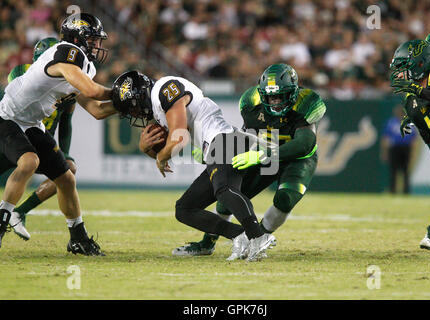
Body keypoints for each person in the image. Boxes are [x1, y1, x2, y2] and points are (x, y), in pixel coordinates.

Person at [111, 70, 275, 261]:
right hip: (218, 144)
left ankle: (257, 235)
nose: (135, 113)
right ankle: (239, 235)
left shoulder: (165, 89)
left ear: (141, 95)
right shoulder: (159, 105)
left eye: (133, 107)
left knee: (224, 190)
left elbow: (179, 137)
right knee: (184, 209)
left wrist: (160, 158)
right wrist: (147, 150)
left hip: (224, 139)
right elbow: (166, 148)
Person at [171, 63, 326, 256]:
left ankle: (258, 239)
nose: (275, 101)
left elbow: (304, 144)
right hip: (264, 154)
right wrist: (213, 153)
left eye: (280, 96)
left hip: (297, 159)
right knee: (228, 197)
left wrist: (261, 155)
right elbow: (246, 136)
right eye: (271, 96)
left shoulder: (306, 103)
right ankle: (207, 243)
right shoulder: (251, 102)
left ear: (293, 93)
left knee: (285, 198)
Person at [0, 13, 117, 255]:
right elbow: (93, 91)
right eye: (93, 40)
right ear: (77, 38)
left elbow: (96, 109)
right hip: (6, 117)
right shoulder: (66, 53)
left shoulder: (85, 65)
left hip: (30, 123)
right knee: (29, 160)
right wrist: (122, 93)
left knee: (66, 178)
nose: (97, 45)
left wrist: (129, 102)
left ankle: (78, 237)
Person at [5, 37, 77, 241]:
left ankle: (20, 211)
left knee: (68, 170)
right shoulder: (23, 73)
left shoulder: (68, 83)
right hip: (14, 135)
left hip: (41, 141)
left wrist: (66, 152)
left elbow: (66, 121)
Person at [390, 39, 430, 250]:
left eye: (404, 66)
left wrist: (421, 91)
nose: (400, 73)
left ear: (421, 63)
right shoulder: (412, 103)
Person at [380, 105, 417, 194]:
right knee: (393, 170)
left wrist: (412, 152)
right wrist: (384, 152)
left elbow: (413, 139)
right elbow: (385, 138)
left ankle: (406, 191)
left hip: (405, 148)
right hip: (394, 148)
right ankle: (392, 190)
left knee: (405, 171)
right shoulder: (391, 122)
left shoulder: (408, 123)